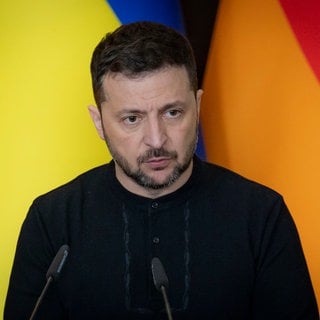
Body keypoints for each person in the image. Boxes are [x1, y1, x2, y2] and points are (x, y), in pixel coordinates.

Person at [4, 21, 319, 320]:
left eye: (172, 112)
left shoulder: (261, 215)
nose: (156, 139)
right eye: (132, 118)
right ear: (99, 122)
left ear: (197, 106)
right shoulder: (52, 220)